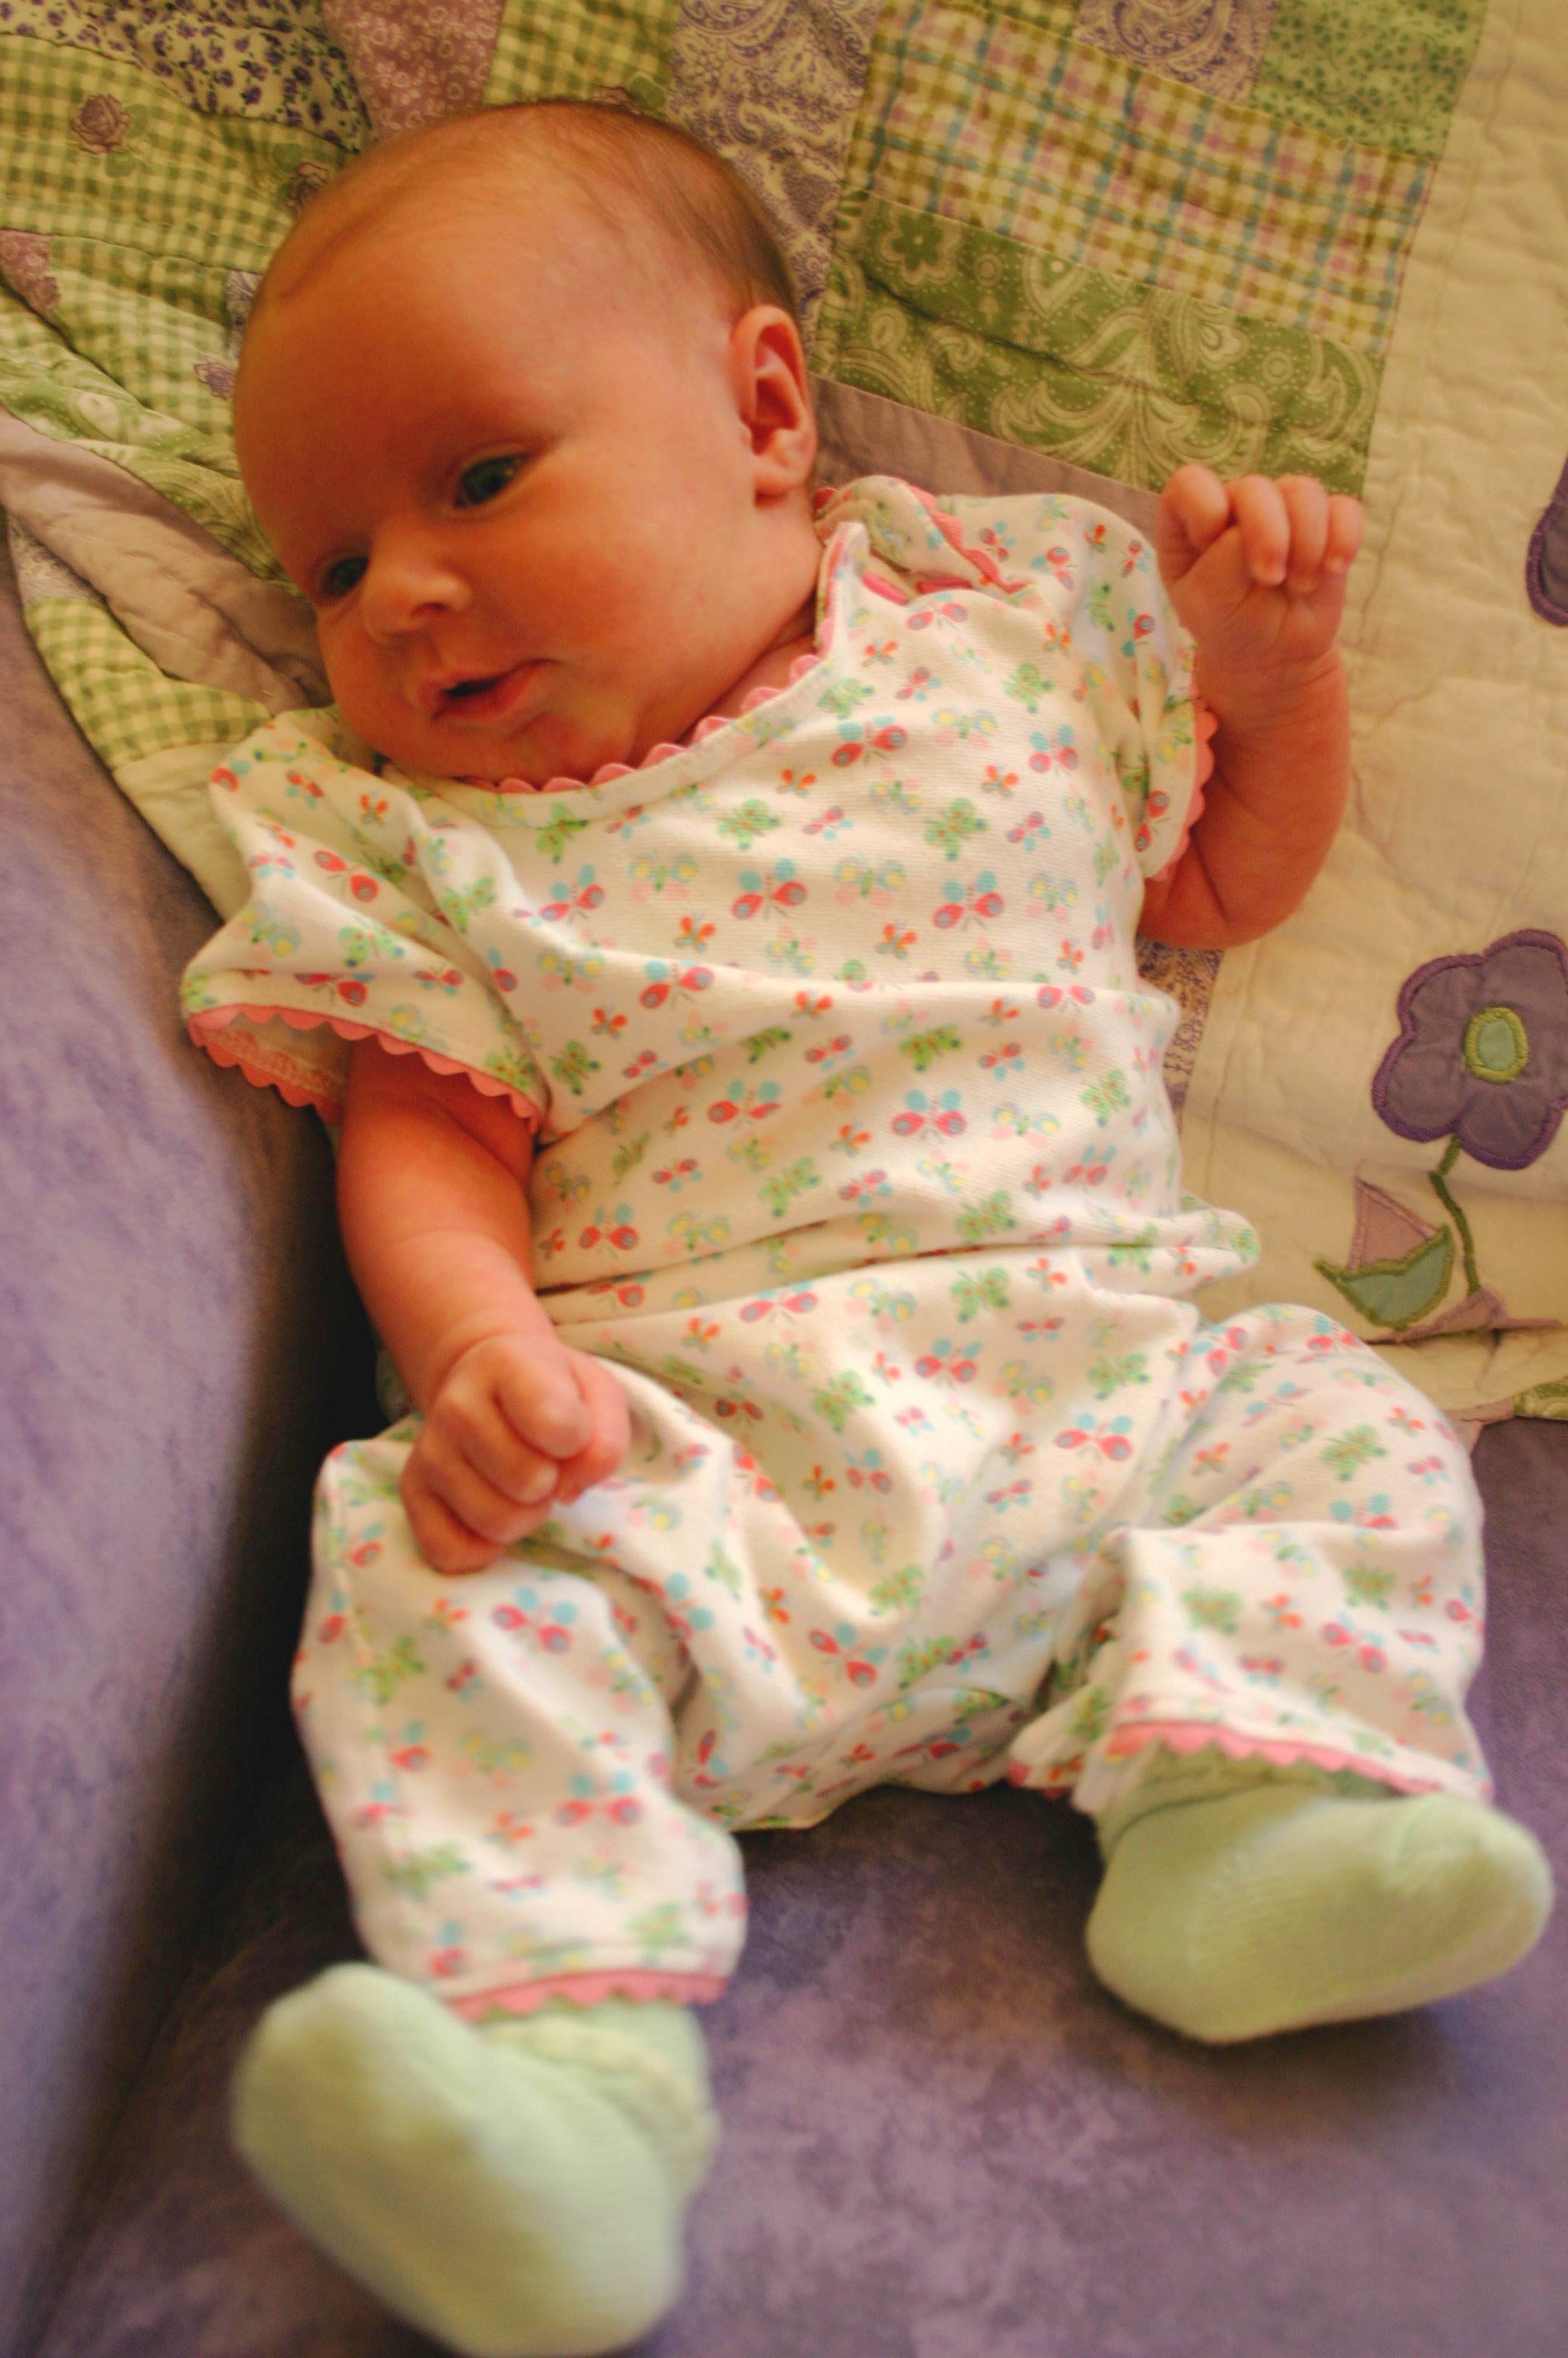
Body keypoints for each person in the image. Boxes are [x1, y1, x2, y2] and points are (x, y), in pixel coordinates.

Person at [182, 98, 1553, 2358]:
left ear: (765, 414)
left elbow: (1220, 886)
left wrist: (1269, 682)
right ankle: (564, 2080)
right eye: (329, 568)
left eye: (480, 478)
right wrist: (476, 1355)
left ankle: (1253, 1813)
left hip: (1102, 1396)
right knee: (426, 1565)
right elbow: (425, 1146)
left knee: (1338, 1424)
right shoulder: (424, 845)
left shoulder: (996, 633)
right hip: (692, 1458)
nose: (399, 591)